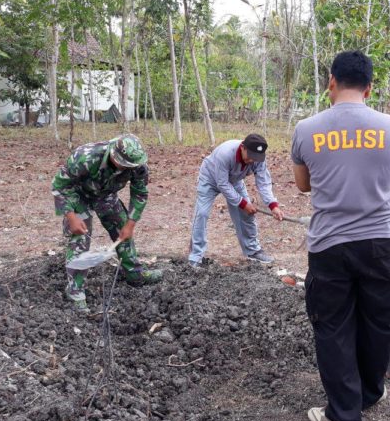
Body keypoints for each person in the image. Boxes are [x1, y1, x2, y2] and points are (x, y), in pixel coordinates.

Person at [291, 50, 390, 421]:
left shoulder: (306, 129)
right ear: (370, 87)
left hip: (329, 243)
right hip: (379, 241)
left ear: (331, 81)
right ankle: (370, 392)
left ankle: (344, 412)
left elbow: (302, 185)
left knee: (333, 324)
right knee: (378, 319)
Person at [52, 134, 163, 313]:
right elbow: (60, 185)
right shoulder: (85, 156)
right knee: (80, 238)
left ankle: (134, 274)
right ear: (113, 155)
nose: (128, 168)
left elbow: (140, 193)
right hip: (78, 195)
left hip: (106, 195)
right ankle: (75, 290)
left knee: (122, 228)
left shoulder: (137, 164)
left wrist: (130, 224)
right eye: (124, 164)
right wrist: (71, 217)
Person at [188, 133, 284, 266]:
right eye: (250, 156)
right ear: (243, 147)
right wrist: (243, 203)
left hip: (235, 181)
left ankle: (252, 251)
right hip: (210, 179)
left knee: (247, 214)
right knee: (202, 214)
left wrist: (273, 205)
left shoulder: (258, 159)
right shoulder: (226, 153)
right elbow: (222, 183)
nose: (252, 161)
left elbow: (263, 182)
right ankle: (195, 256)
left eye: (255, 158)